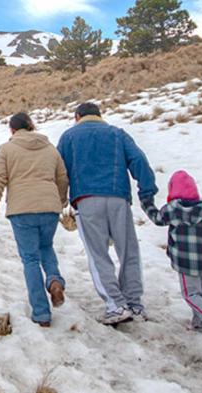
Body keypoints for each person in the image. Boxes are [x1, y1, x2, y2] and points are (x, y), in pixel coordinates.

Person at [57, 102, 158, 325]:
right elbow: (139, 160)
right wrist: (147, 191)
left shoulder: (69, 137)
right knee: (128, 250)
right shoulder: (117, 134)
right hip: (118, 198)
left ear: (77, 116)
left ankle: (116, 304)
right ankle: (134, 303)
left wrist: (61, 199)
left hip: (86, 200)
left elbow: (60, 171)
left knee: (98, 254)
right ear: (100, 115)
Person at [0, 112, 69, 327]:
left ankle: (41, 313)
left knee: (30, 259)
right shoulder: (50, 148)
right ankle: (54, 280)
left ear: (12, 130)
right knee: (46, 247)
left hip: (21, 209)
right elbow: (62, 178)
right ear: (31, 126)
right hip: (49, 208)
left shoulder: (7, 149)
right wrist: (59, 201)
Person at [141, 170, 202, 342]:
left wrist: (146, 202)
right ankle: (200, 324)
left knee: (191, 295)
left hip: (186, 263)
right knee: (201, 294)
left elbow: (156, 218)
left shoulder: (173, 210)